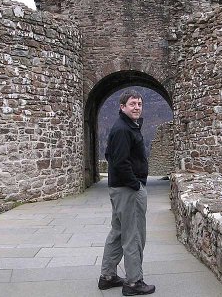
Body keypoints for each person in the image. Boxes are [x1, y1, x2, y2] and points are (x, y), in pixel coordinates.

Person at [98, 89, 155, 296]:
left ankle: (107, 276)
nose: (137, 107)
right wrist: (136, 184)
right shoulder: (123, 129)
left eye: (139, 104)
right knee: (134, 235)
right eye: (132, 104)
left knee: (118, 232)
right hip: (128, 190)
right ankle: (133, 282)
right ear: (122, 107)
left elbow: (108, 153)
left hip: (120, 188)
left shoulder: (125, 127)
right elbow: (120, 162)